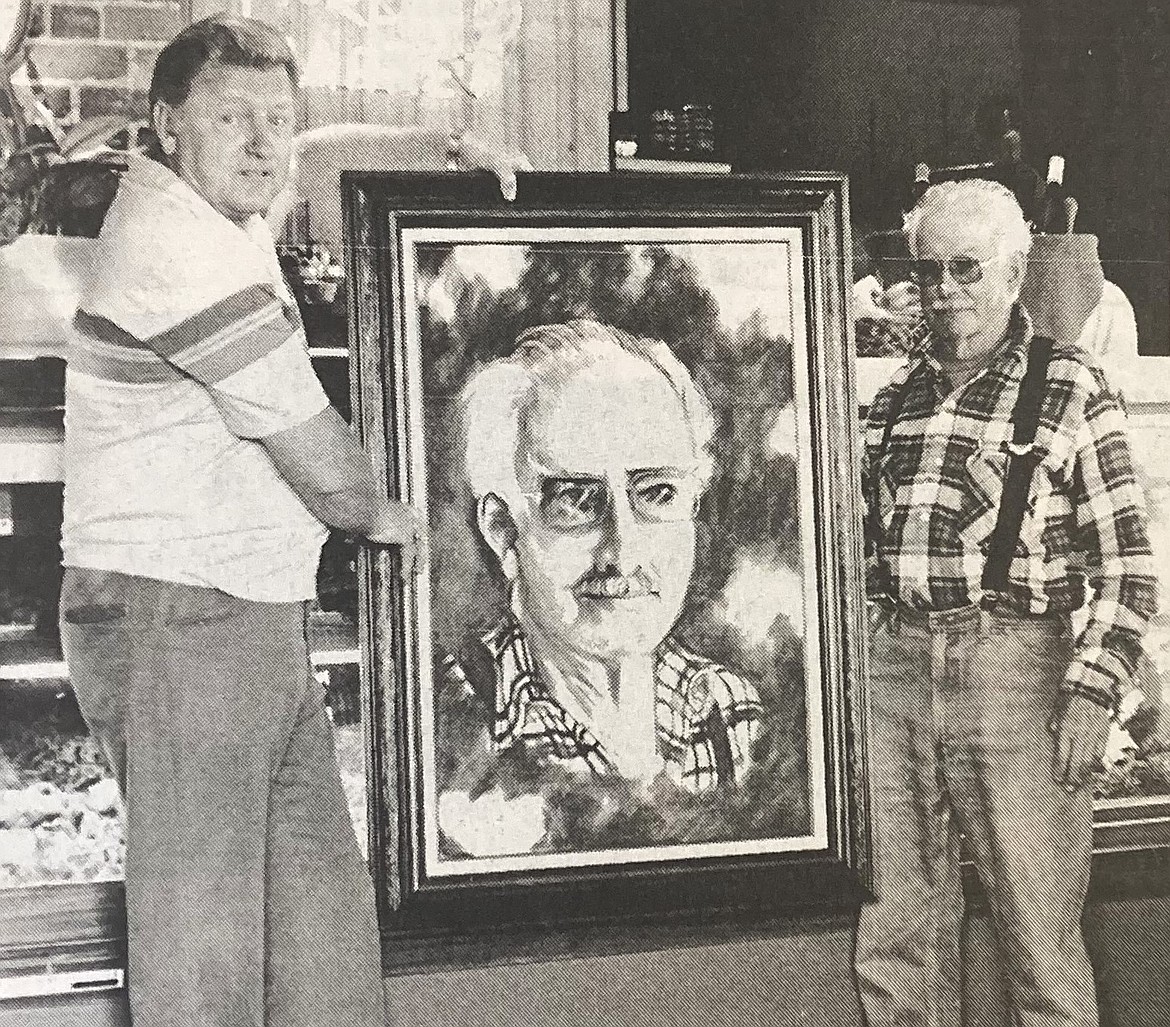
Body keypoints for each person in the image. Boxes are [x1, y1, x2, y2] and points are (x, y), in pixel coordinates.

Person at [55, 15, 518, 1027]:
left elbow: (319, 149)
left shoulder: (216, 207)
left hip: (252, 624)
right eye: (233, 118)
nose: (264, 142)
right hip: (174, 623)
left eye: (275, 115)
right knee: (203, 968)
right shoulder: (179, 249)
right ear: (169, 123)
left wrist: (445, 151)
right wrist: (419, 522)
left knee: (324, 948)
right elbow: (330, 474)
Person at [854, 179, 1157, 1027]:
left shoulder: (1069, 387)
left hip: (1019, 677)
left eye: (966, 268)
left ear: (1016, 271)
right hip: (895, 672)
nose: (944, 289)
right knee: (896, 943)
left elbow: (1129, 567)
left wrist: (1091, 692)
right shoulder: (894, 401)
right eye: (928, 270)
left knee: (1041, 945)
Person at [436, 320, 762, 856]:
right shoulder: (455, 722)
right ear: (503, 531)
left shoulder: (732, 711)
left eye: (657, 493)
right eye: (576, 501)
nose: (624, 552)